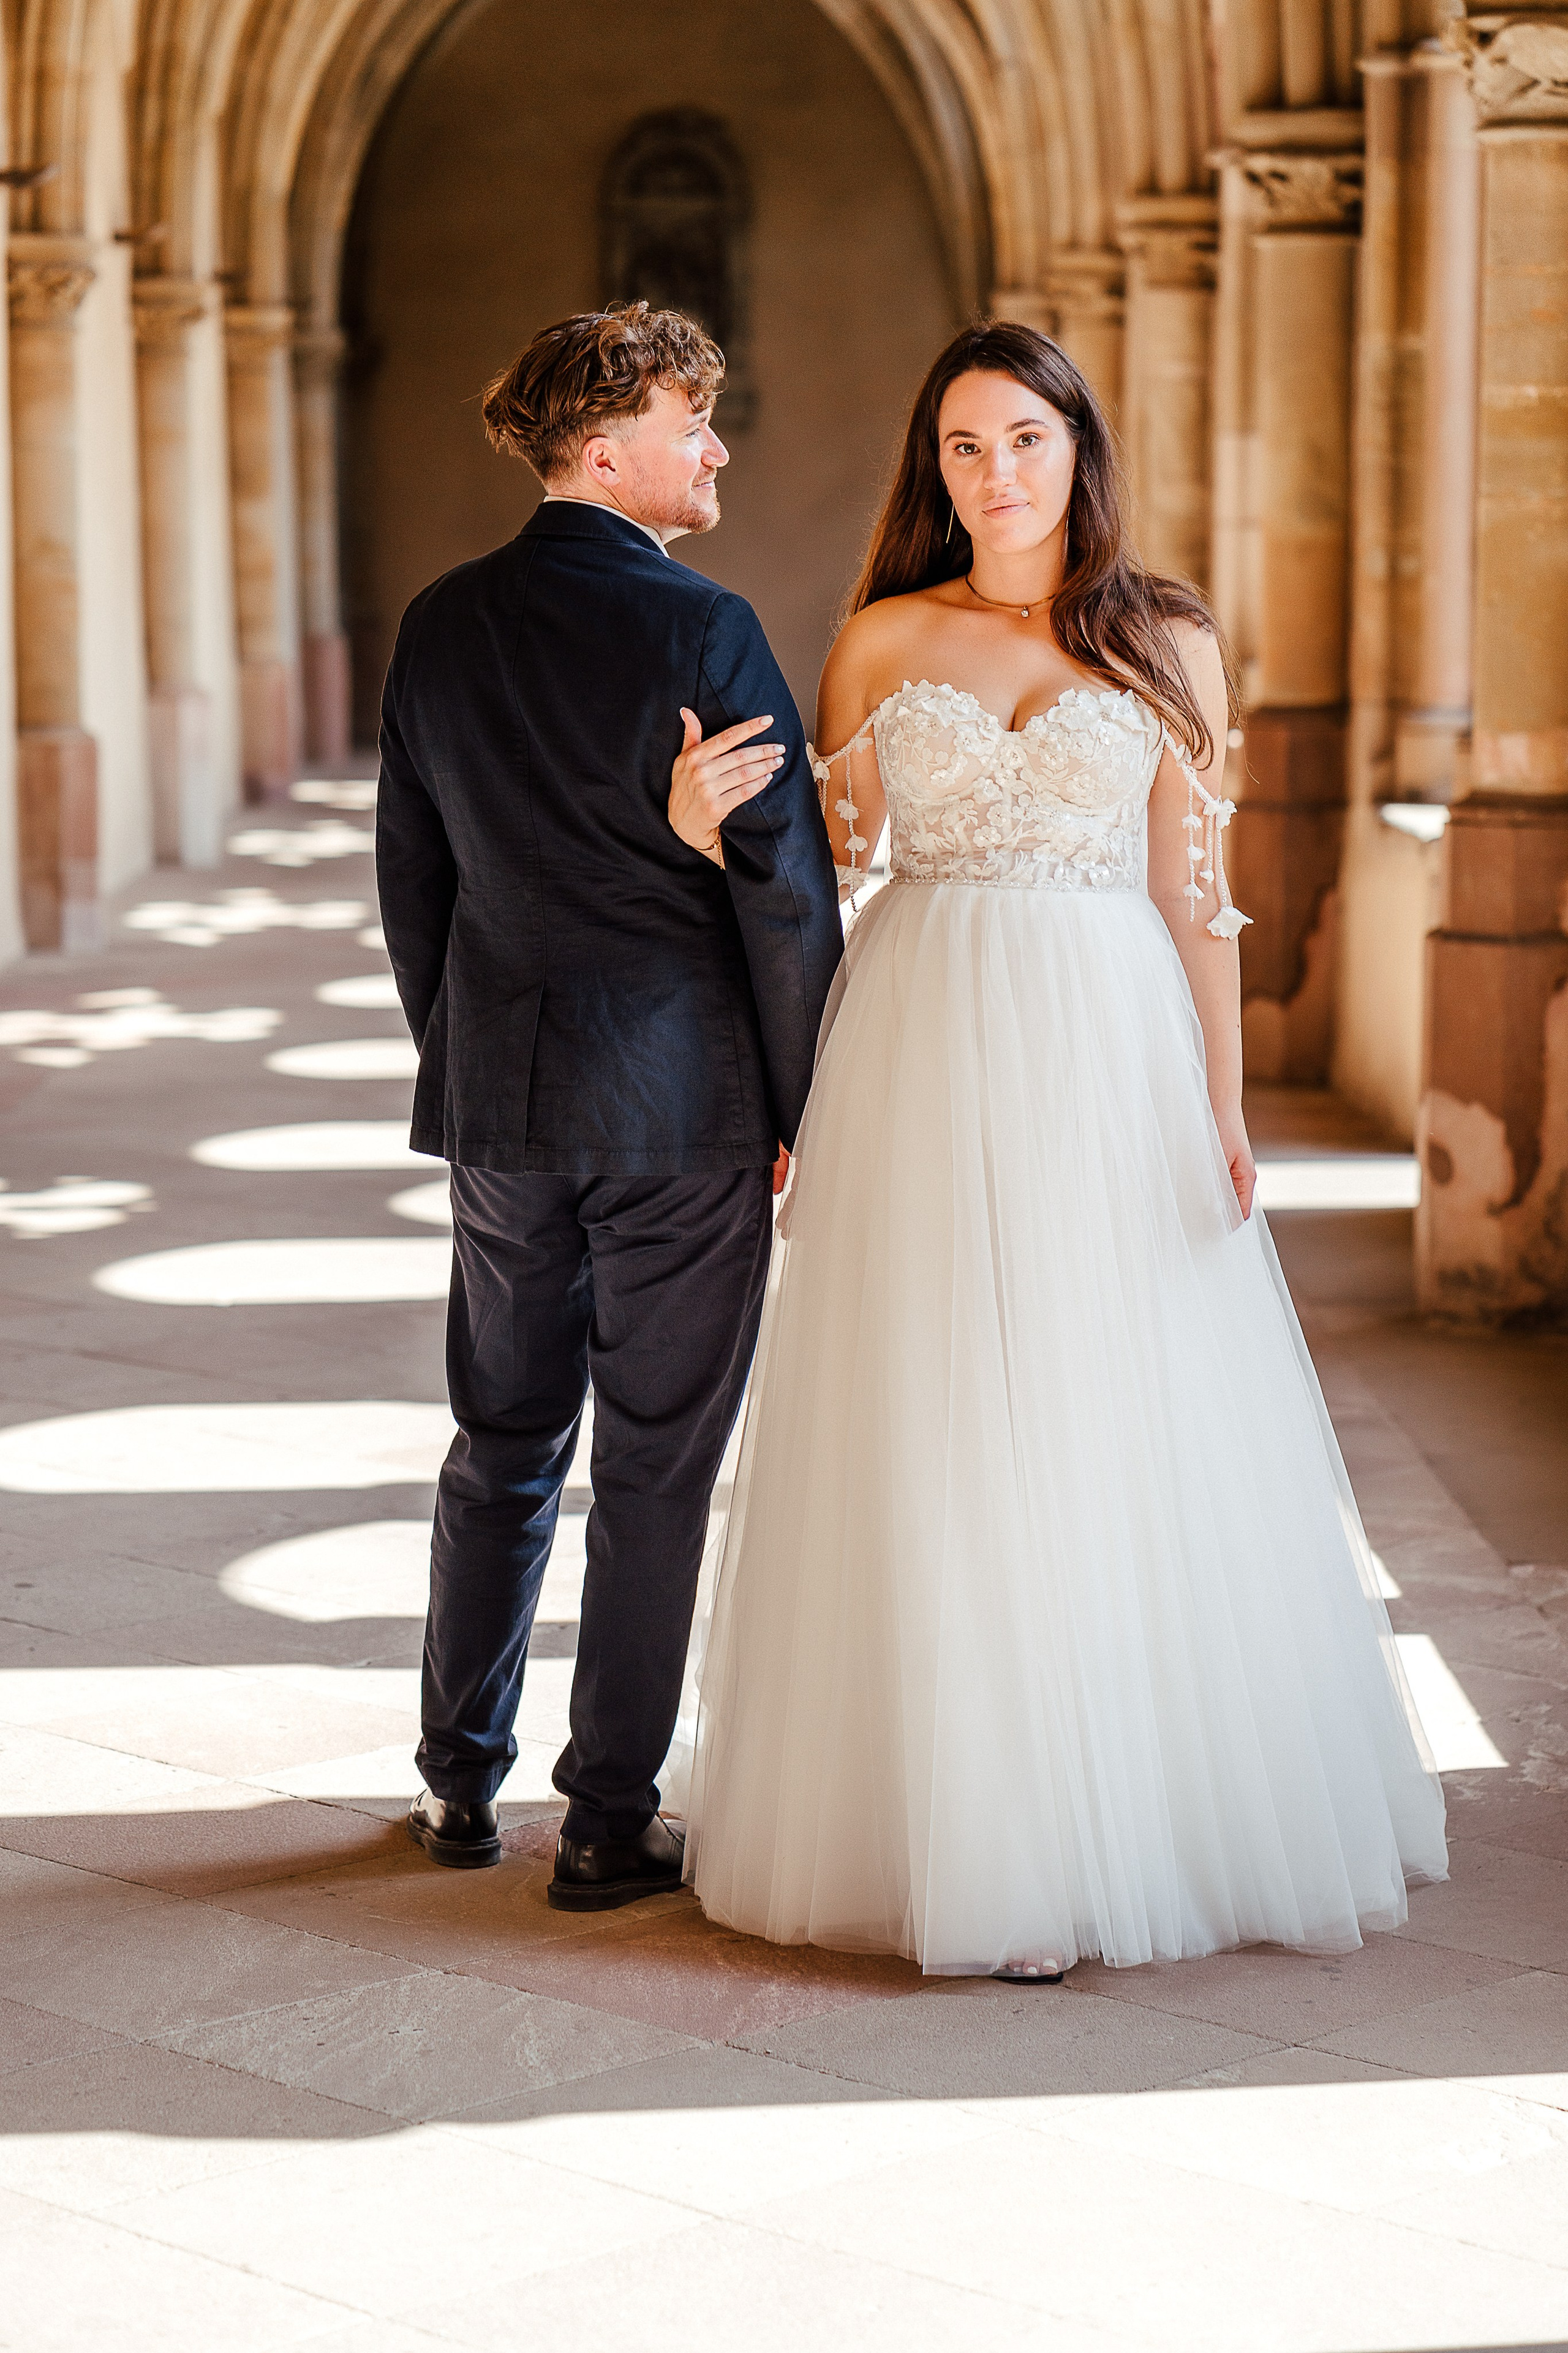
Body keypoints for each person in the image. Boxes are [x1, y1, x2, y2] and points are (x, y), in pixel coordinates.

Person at [669, 320, 1449, 1977]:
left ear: (1078, 448)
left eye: (1024, 437)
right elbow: (819, 876)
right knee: (938, 1404)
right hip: (921, 1030)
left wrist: (1225, 1108)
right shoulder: (881, 638)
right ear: (932, 467)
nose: (995, 471)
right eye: (963, 444)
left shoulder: (1167, 640)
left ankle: (1130, 1809)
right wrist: (791, 1078)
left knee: (1103, 1398)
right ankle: (965, 1822)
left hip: (1108, 1037)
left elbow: (1197, 901)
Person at [377, 303, 842, 1909]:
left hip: (505, 1101)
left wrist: (470, 1054)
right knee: (653, 1463)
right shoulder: (704, 630)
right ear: (603, 444)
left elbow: (413, 891)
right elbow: (781, 894)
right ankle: (604, 1817)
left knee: (497, 1439)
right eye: (688, 419)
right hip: (682, 1105)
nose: (715, 446)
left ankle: (453, 1781)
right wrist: (808, 1101)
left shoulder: (438, 624)